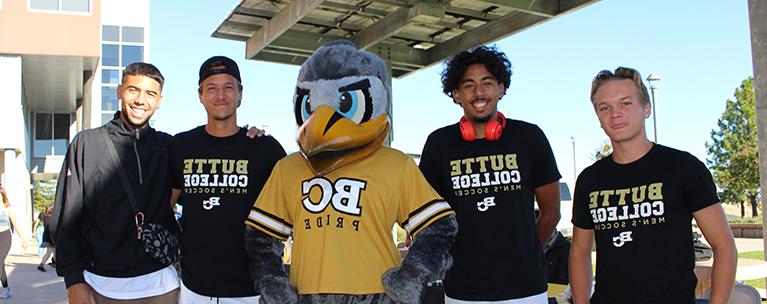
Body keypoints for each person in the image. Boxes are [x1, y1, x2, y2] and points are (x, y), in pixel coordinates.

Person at [569, 67, 737, 304]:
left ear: (646, 108)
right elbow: (580, 252)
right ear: (598, 117)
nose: (615, 114)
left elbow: (724, 245)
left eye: (625, 103)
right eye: (604, 107)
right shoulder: (589, 180)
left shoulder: (683, 168)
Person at [419, 45, 562, 303]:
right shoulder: (439, 144)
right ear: (456, 94)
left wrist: (527, 255)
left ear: (501, 88)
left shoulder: (529, 137)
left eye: (487, 83)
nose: (479, 93)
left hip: (526, 289)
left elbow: (551, 211)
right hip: (463, 290)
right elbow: (427, 216)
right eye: (468, 85)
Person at [51, 62, 180, 304]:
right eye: (133, 90)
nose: (141, 100)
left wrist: (247, 138)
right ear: (120, 91)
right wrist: (73, 281)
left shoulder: (169, 147)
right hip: (99, 286)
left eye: (150, 93)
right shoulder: (86, 144)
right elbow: (66, 218)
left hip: (161, 286)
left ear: (159, 100)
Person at [168, 55, 286, 303]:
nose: (220, 95)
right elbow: (166, 206)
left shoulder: (265, 148)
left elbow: (290, 209)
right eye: (212, 88)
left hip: (251, 291)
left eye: (228, 87)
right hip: (194, 289)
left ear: (241, 94)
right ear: (200, 95)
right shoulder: (180, 146)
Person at [0, 183, 29, 299]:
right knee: (0, 266)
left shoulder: (7, 209)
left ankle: (6, 289)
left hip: (5, 236)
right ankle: (6, 289)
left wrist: (24, 239)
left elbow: (16, 224)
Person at [34, 206, 55, 272]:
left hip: (47, 237)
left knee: (53, 251)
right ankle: (41, 265)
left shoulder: (45, 217)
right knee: (49, 252)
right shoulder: (52, 218)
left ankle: (54, 262)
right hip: (52, 237)